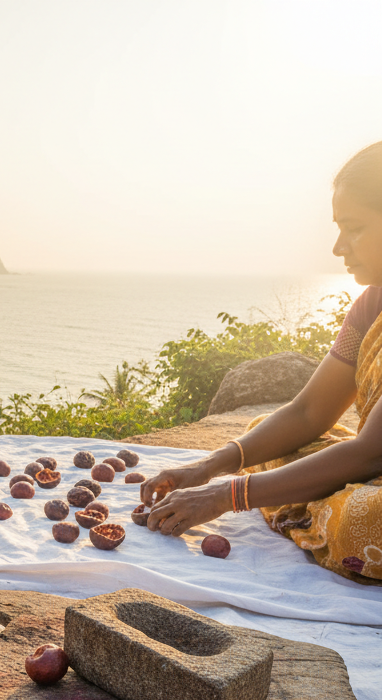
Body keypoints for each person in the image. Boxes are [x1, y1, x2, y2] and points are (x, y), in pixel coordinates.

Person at [140, 142, 382, 582]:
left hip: (375, 475)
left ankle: (310, 506)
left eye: (354, 227)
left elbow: (370, 452)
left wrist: (224, 497)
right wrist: (208, 466)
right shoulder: (371, 305)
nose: (337, 247)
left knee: (366, 522)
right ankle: (310, 502)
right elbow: (309, 412)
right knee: (256, 439)